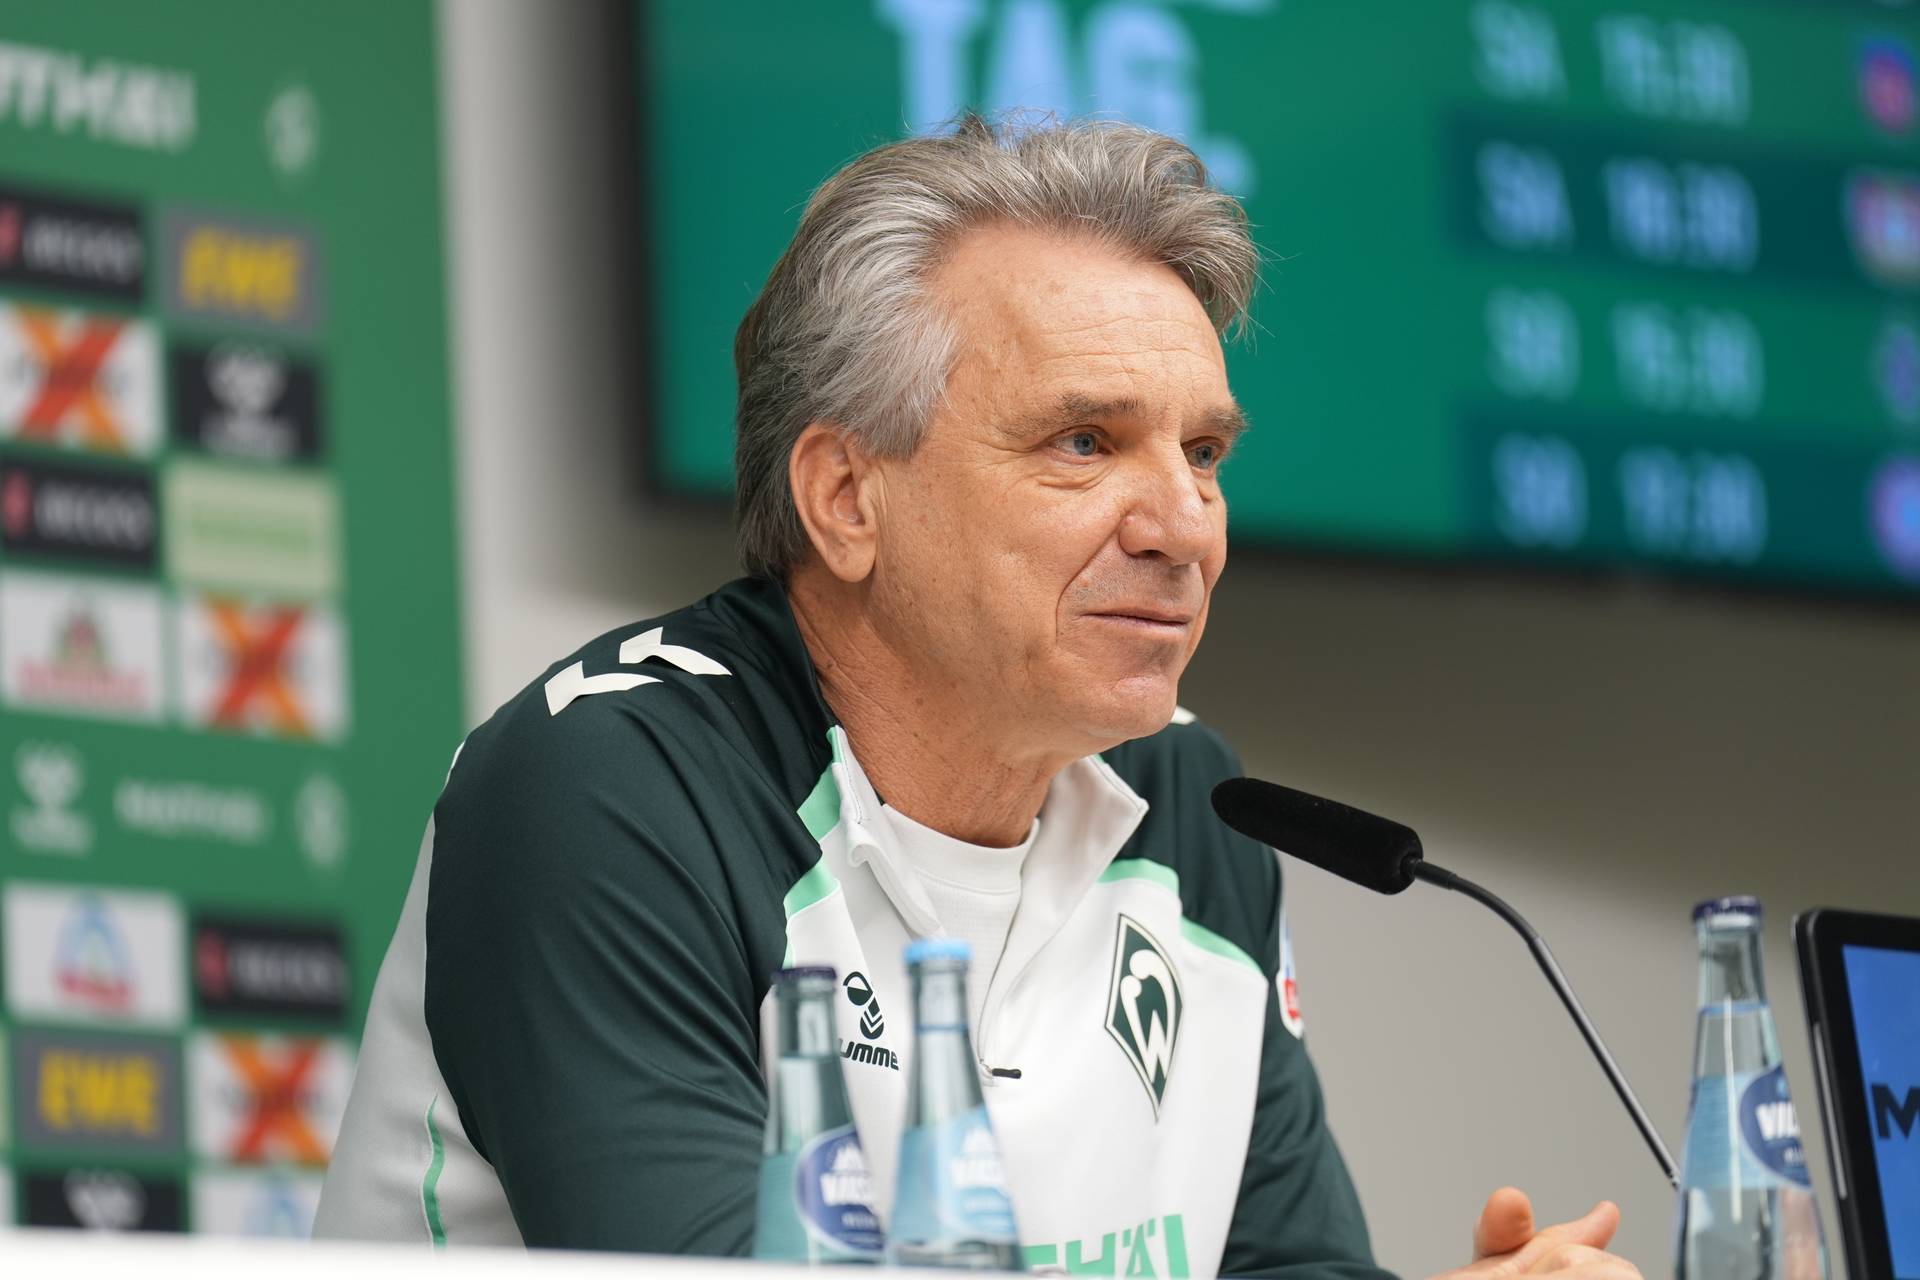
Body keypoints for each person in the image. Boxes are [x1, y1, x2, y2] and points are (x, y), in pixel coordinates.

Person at [315, 115, 1641, 1280]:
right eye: (1085, 442)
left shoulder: (1197, 805)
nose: (1186, 527)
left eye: (1206, 453)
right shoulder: (611, 788)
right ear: (846, 496)